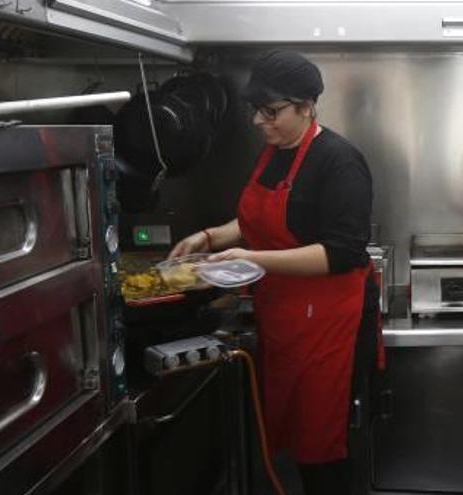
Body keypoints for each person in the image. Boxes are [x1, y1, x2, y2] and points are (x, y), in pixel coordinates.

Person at [168, 50, 380, 495]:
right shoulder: (275, 152)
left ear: (307, 106)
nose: (259, 122)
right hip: (284, 319)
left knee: (325, 450)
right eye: (255, 111)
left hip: (330, 327)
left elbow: (341, 253)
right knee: (296, 443)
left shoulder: (340, 161)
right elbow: (256, 222)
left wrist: (254, 259)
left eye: (271, 111)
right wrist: (209, 237)